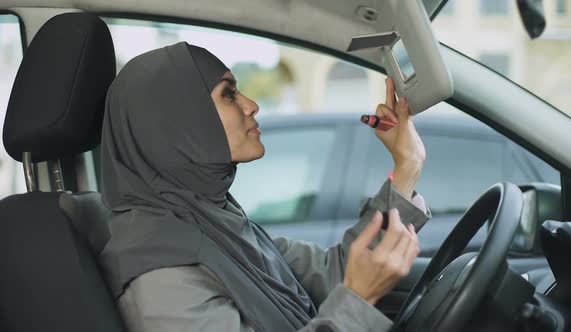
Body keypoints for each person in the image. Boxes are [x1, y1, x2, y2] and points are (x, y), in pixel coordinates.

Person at [99, 41, 430, 332]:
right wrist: (358, 299)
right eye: (228, 94)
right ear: (178, 123)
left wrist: (407, 165)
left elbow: (336, 272)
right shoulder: (163, 274)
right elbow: (350, 284)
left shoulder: (213, 218)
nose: (250, 104)